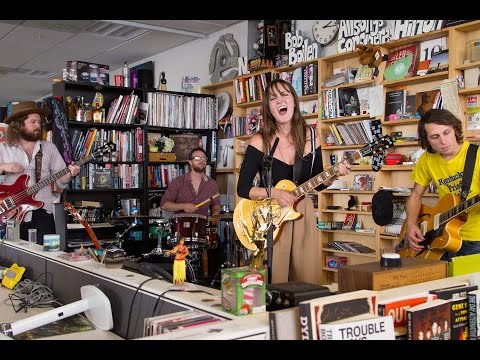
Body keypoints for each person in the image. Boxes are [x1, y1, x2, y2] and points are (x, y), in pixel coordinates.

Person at [236, 79, 351, 284]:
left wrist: (333, 175)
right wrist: (274, 193)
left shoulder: (311, 137)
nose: (280, 100)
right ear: (269, 109)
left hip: (303, 214)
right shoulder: (259, 141)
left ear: (294, 102)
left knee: (306, 279)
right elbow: (243, 188)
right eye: (273, 98)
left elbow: (317, 180)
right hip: (272, 217)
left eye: (285, 94)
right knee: (276, 281)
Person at [0, 101, 80, 244]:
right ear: (19, 125)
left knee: (47, 256)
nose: (38, 125)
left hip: (43, 212)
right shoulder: (4, 148)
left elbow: (62, 179)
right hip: (11, 212)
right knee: (14, 257)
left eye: (39, 121)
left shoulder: (49, 148)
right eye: (33, 122)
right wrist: (4, 167)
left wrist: (71, 173)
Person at [404, 108, 480, 259]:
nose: (443, 141)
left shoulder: (476, 155)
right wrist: (411, 224)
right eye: (435, 137)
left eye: (446, 133)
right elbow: (415, 195)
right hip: (441, 235)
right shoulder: (427, 159)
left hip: (475, 238)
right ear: (427, 140)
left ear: (455, 130)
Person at [160, 147, 222, 278]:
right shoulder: (178, 182)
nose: (201, 161)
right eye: (197, 158)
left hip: (202, 230)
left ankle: (205, 280)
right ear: (189, 162)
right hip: (180, 231)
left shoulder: (212, 184)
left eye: (204, 158)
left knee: (217, 253)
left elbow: (216, 206)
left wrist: (216, 215)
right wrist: (183, 206)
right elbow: (164, 204)